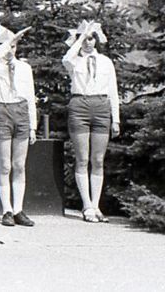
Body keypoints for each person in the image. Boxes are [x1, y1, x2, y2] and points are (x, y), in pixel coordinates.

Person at [63, 20, 121, 223]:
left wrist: (116, 119)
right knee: (82, 158)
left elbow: (113, 90)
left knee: (97, 159)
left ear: (96, 40)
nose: (87, 42)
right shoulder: (74, 61)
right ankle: (86, 205)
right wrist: (80, 37)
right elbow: (66, 58)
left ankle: (96, 206)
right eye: (84, 39)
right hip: (80, 105)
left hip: (101, 107)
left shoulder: (105, 62)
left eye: (91, 38)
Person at [0, 25, 37, 227]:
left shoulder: (24, 68)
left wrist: (32, 126)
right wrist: (7, 42)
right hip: (2, 111)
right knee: (5, 165)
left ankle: (18, 210)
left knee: (19, 165)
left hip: (21, 111)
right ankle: (6, 210)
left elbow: (30, 97)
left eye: (14, 46)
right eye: (7, 46)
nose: (10, 50)